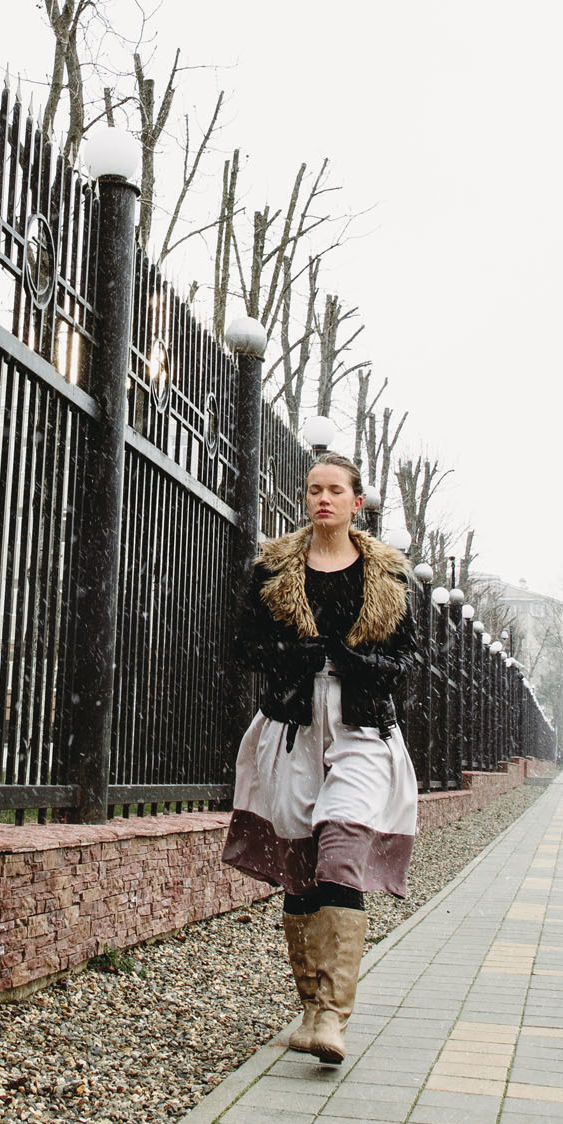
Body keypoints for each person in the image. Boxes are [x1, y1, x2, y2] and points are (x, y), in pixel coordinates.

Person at [222, 454, 419, 1067]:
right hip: (293, 723)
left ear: (358, 503)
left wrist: (360, 665)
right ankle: (308, 1007)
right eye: (314, 490)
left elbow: (409, 664)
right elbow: (240, 645)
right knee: (300, 863)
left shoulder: (387, 577)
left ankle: (334, 1015)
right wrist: (290, 654)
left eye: (336, 491)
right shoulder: (274, 567)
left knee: (340, 852)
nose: (323, 499)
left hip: (362, 724)